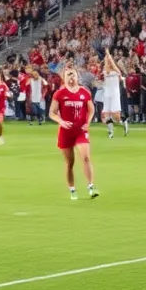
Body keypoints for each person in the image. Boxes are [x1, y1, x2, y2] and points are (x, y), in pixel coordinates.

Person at [49, 67, 98, 200]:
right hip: (66, 132)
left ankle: (91, 186)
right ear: (64, 78)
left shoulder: (84, 92)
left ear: (77, 77)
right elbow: (51, 113)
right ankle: (72, 188)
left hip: (81, 131)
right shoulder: (59, 94)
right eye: (68, 76)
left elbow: (91, 109)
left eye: (73, 75)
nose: (71, 78)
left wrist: (88, 122)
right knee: (70, 162)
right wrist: (61, 121)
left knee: (86, 157)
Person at [101, 51, 128, 138]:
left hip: (115, 94)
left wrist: (109, 55)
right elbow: (107, 71)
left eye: (110, 62)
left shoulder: (117, 71)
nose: (108, 64)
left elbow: (113, 67)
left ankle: (124, 122)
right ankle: (111, 132)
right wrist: (107, 57)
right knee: (106, 115)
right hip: (107, 94)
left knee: (116, 116)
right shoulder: (105, 71)